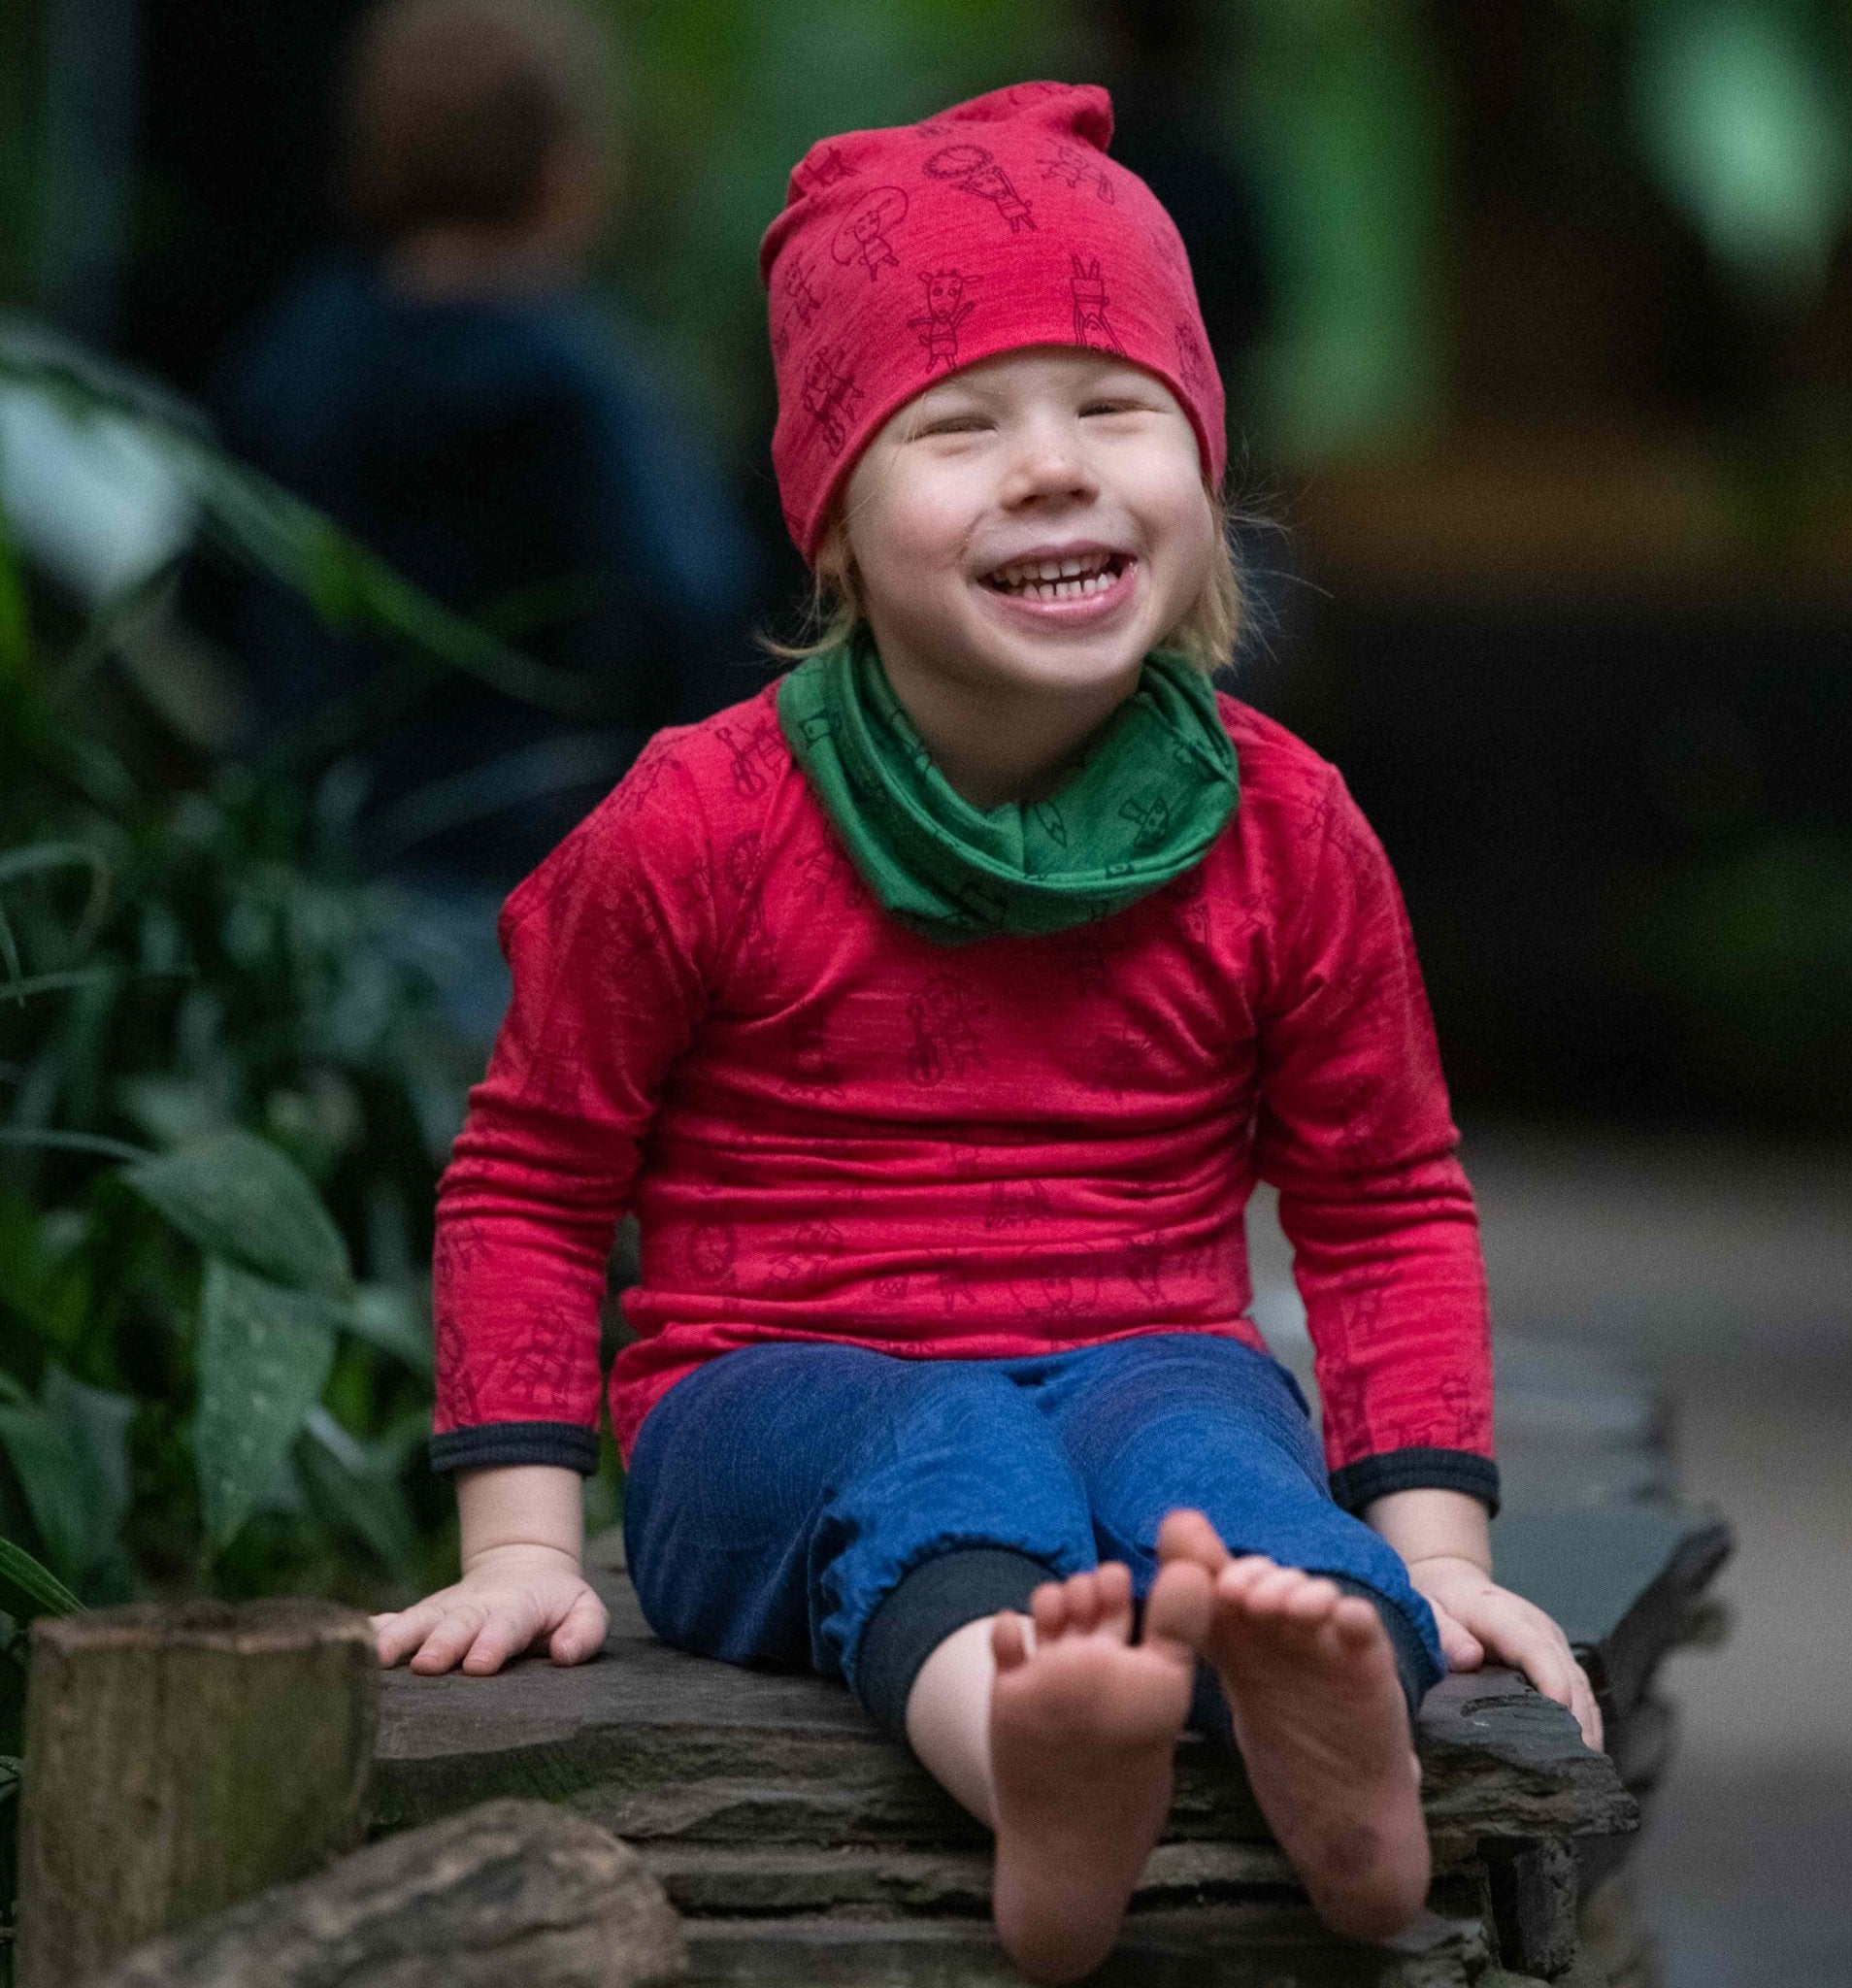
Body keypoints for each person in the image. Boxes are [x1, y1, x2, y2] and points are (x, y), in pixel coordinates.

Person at [373, 83, 1601, 1983]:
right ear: (837, 528)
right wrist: (523, 1543)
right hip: (765, 1392)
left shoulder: (1285, 828)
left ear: (1200, 469)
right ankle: (1030, 1755)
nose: (1052, 468)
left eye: (1116, 410)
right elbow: (538, 1175)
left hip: (1144, 1348)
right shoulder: (702, 820)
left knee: (1223, 1463)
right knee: (946, 1443)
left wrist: (1438, 1550)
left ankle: (1344, 1742)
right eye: (957, 428)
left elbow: (1380, 1203)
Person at [212, 0, 764, 897]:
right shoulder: (581, 382)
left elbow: (207, 592)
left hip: (296, 891)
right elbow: (695, 609)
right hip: (522, 888)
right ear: (566, 169)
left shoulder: (299, 346)